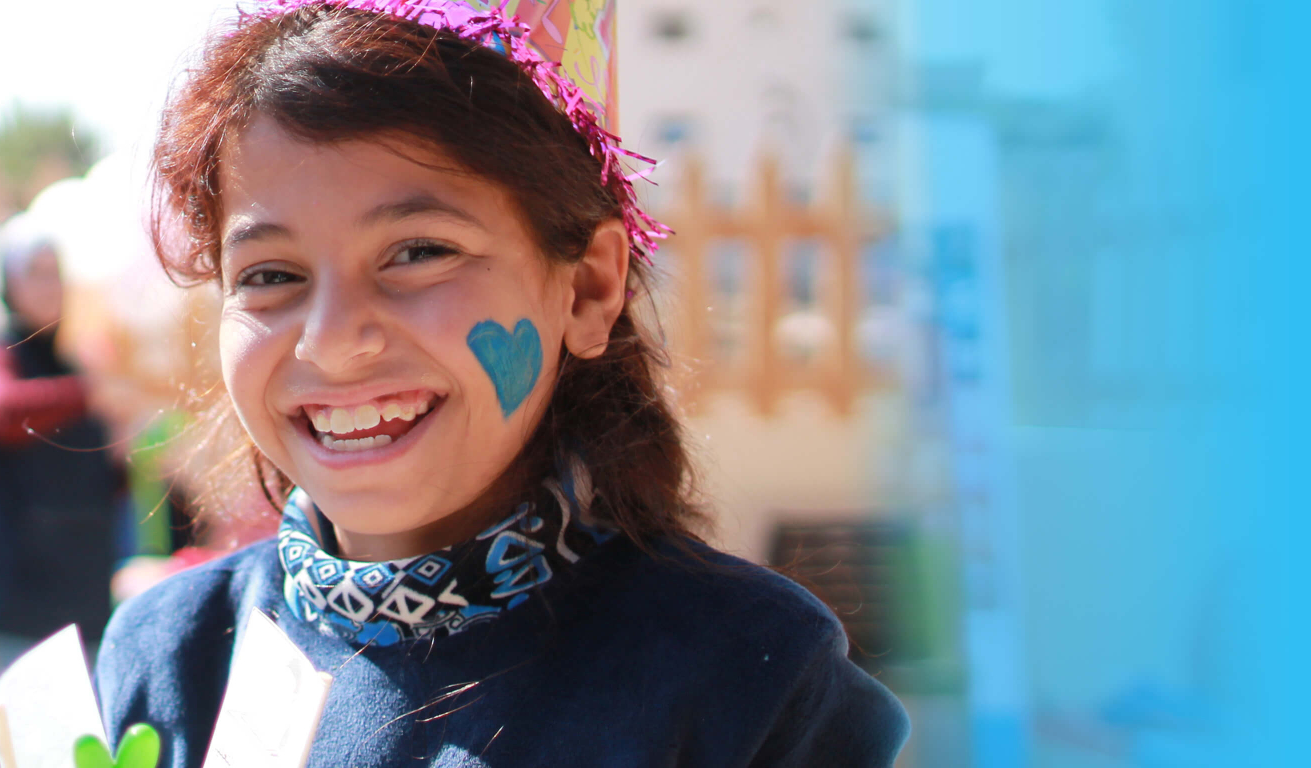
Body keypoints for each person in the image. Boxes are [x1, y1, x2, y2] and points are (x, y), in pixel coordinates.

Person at [93, 2, 910, 766]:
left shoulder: (751, 678)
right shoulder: (171, 659)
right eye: (270, 274)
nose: (333, 342)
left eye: (419, 252)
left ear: (587, 288)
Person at [0, 215, 129, 673]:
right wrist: (87, 395)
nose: (49, 286)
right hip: (22, 592)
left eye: (55, 274)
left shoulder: (71, 361)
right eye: (35, 273)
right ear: (8, 283)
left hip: (84, 589)